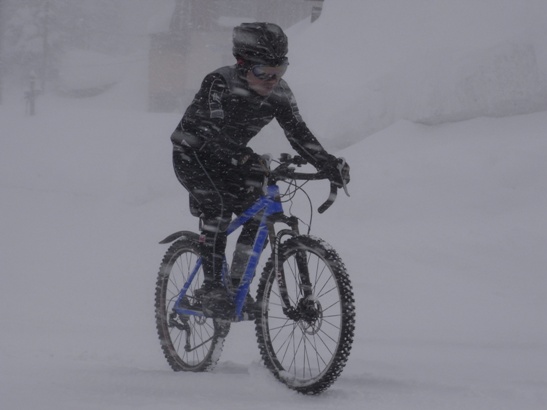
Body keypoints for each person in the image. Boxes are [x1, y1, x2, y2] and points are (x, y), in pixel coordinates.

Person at [170, 22, 350, 315]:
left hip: (234, 159)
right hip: (193, 156)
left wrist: (328, 164)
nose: (271, 80)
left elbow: (298, 133)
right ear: (242, 65)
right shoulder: (219, 82)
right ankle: (214, 288)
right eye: (262, 72)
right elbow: (209, 131)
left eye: (279, 71)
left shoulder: (279, 92)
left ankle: (237, 285)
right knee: (217, 208)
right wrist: (240, 156)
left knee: (259, 214)